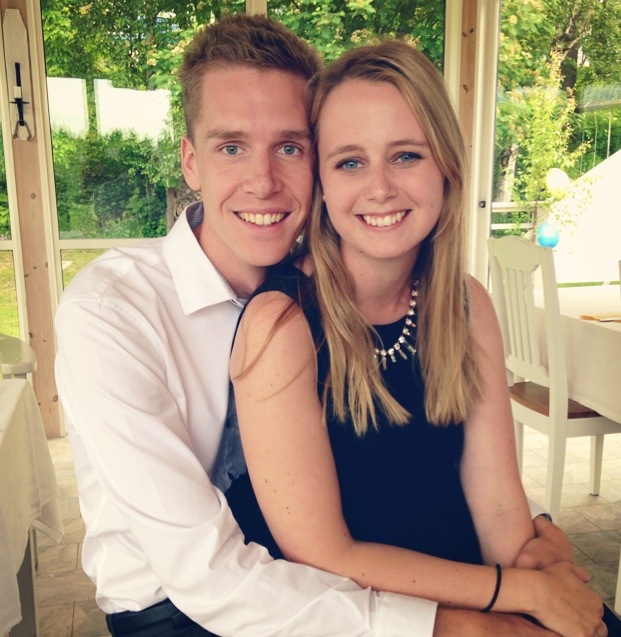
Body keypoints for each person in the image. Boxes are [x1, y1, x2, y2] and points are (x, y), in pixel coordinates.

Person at [54, 12, 589, 637]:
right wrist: (460, 623)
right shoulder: (113, 314)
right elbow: (210, 576)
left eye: (289, 148)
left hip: (331, 581)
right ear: (191, 162)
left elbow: (433, 466)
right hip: (182, 606)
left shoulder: (365, 289)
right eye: (231, 147)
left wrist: (534, 540)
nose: (263, 182)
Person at [224, 40, 613, 637]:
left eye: (406, 155)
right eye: (350, 162)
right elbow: (322, 553)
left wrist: (538, 588)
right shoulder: (280, 326)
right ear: (321, 181)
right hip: (355, 607)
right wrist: (519, 592)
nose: (379, 188)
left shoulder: (465, 303)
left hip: (463, 570)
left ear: (446, 166)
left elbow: (497, 500)